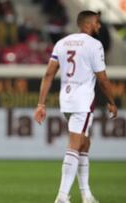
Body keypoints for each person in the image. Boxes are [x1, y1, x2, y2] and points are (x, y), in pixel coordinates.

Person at [34, 10, 118, 203]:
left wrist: (41, 103)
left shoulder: (62, 43)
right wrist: (112, 102)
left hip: (67, 100)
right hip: (83, 100)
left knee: (84, 143)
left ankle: (86, 194)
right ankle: (62, 196)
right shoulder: (94, 45)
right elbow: (103, 78)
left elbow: (48, 74)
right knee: (75, 144)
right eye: (97, 22)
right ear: (87, 24)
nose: (99, 26)